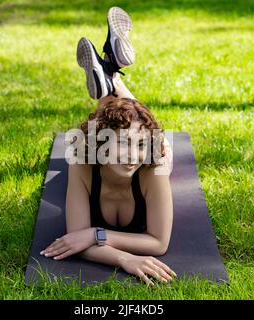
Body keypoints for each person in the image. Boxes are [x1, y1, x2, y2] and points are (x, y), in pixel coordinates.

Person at [40, 7, 175, 286]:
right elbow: (73, 239)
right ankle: (111, 71)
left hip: (158, 156)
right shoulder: (83, 163)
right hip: (100, 143)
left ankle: (109, 75)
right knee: (118, 120)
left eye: (139, 145)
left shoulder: (153, 164)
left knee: (150, 134)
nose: (133, 156)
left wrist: (94, 235)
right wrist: (124, 258)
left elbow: (159, 242)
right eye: (122, 145)